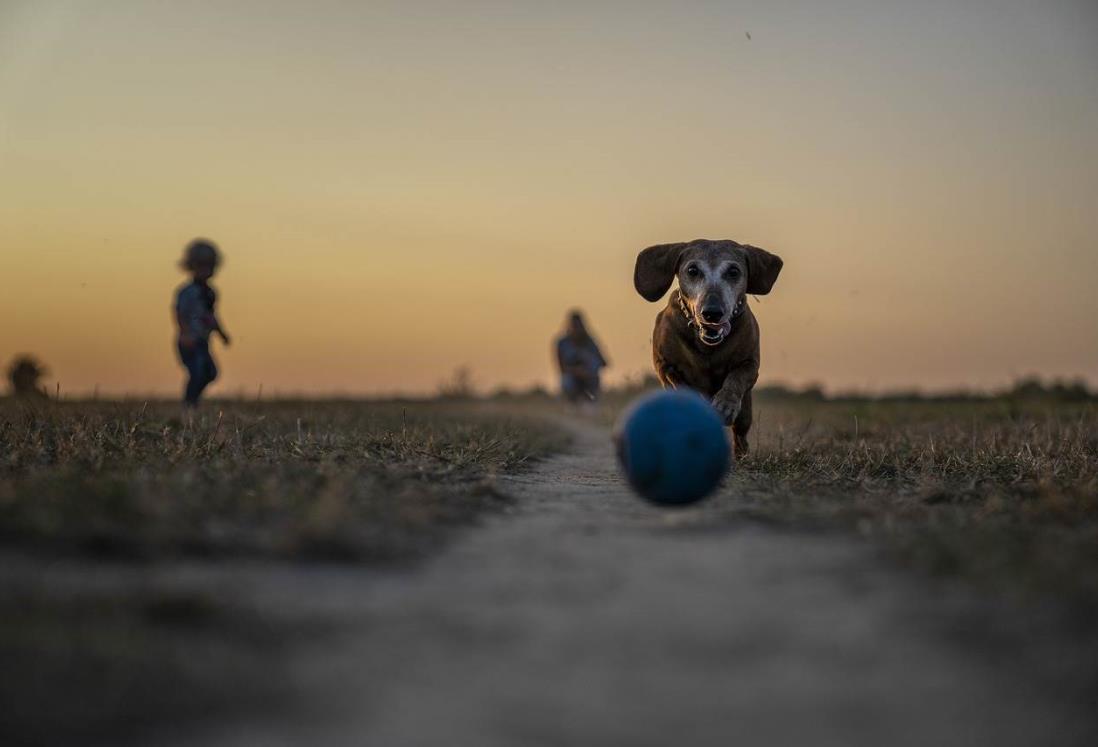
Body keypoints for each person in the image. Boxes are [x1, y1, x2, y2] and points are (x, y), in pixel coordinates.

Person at [174, 238, 230, 408]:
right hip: (189, 341)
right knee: (197, 372)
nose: (206, 270)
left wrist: (221, 334)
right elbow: (179, 314)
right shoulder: (187, 292)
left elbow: (212, 316)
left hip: (203, 341)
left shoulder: (210, 293)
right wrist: (185, 333)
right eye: (201, 266)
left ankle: (193, 401)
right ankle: (188, 404)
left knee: (210, 373)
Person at [556, 310, 607, 405]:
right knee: (567, 381)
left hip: (589, 378)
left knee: (593, 370)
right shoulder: (563, 343)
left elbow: (604, 363)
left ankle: (591, 404)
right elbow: (561, 368)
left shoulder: (590, 342)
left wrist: (588, 367)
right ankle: (571, 404)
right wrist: (576, 371)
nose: (576, 329)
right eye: (574, 326)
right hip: (571, 378)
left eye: (578, 326)